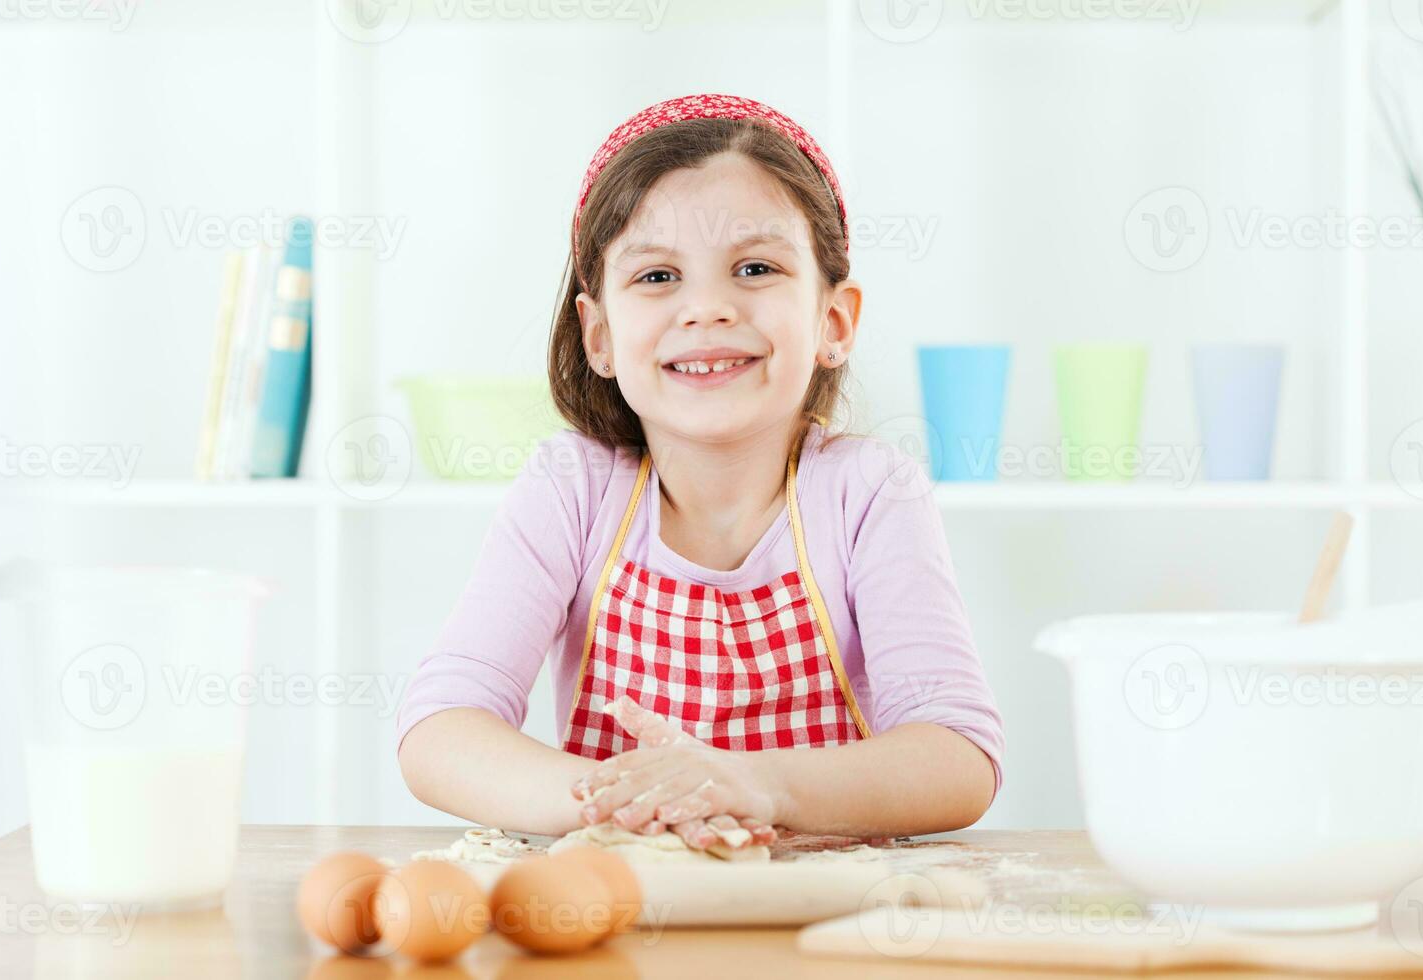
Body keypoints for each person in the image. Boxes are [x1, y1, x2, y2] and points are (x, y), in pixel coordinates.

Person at [397, 93, 1004, 854]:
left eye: (755, 267)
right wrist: (619, 801)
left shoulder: (870, 493)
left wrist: (757, 785)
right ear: (600, 333)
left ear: (833, 322)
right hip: (615, 912)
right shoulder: (572, 489)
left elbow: (957, 757)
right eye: (657, 277)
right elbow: (441, 727)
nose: (707, 308)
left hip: (823, 923)